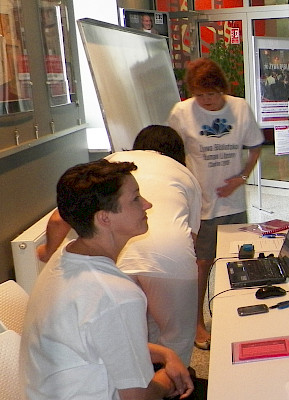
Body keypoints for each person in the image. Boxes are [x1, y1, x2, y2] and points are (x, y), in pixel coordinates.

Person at [20, 159, 194, 400]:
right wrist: (168, 377)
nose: (147, 204)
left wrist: (166, 355)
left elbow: (105, 341)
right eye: (135, 199)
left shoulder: (65, 257)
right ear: (104, 219)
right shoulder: (116, 294)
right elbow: (138, 397)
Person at [36, 125, 202, 366]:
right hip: (171, 254)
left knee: (126, 341)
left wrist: (47, 252)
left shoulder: (112, 166)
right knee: (176, 339)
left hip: (116, 255)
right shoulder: (184, 173)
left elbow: (59, 218)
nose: (147, 204)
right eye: (137, 198)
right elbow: (191, 238)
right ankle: (173, 382)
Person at [167, 58, 263, 351]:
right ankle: (198, 322)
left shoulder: (240, 108)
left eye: (213, 94)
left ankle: (233, 315)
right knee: (201, 264)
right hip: (201, 205)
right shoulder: (181, 113)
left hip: (233, 203)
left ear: (222, 89)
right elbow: (171, 154)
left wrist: (242, 177)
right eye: (200, 95)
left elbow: (255, 146)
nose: (207, 101)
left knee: (236, 262)